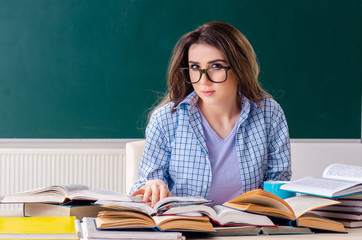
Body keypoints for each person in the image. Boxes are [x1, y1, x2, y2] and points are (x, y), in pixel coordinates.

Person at [130, 21, 291, 207]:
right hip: (187, 229)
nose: (204, 81)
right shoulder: (166, 119)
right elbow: (142, 189)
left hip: (249, 229)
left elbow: (279, 184)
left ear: (239, 68)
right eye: (195, 68)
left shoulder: (269, 113)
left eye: (215, 67)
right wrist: (152, 185)